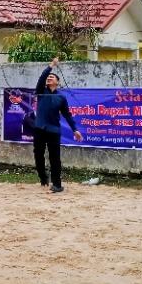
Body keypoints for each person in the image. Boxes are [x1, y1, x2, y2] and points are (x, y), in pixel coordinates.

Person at [33, 58, 83, 193]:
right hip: (39, 129)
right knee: (38, 155)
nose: (49, 78)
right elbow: (42, 77)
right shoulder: (41, 91)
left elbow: (67, 114)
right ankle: (43, 178)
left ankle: (57, 184)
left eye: (52, 77)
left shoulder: (61, 98)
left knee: (55, 158)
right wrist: (51, 66)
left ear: (57, 82)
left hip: (53, 131)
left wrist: (75, 130)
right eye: (48, 77)